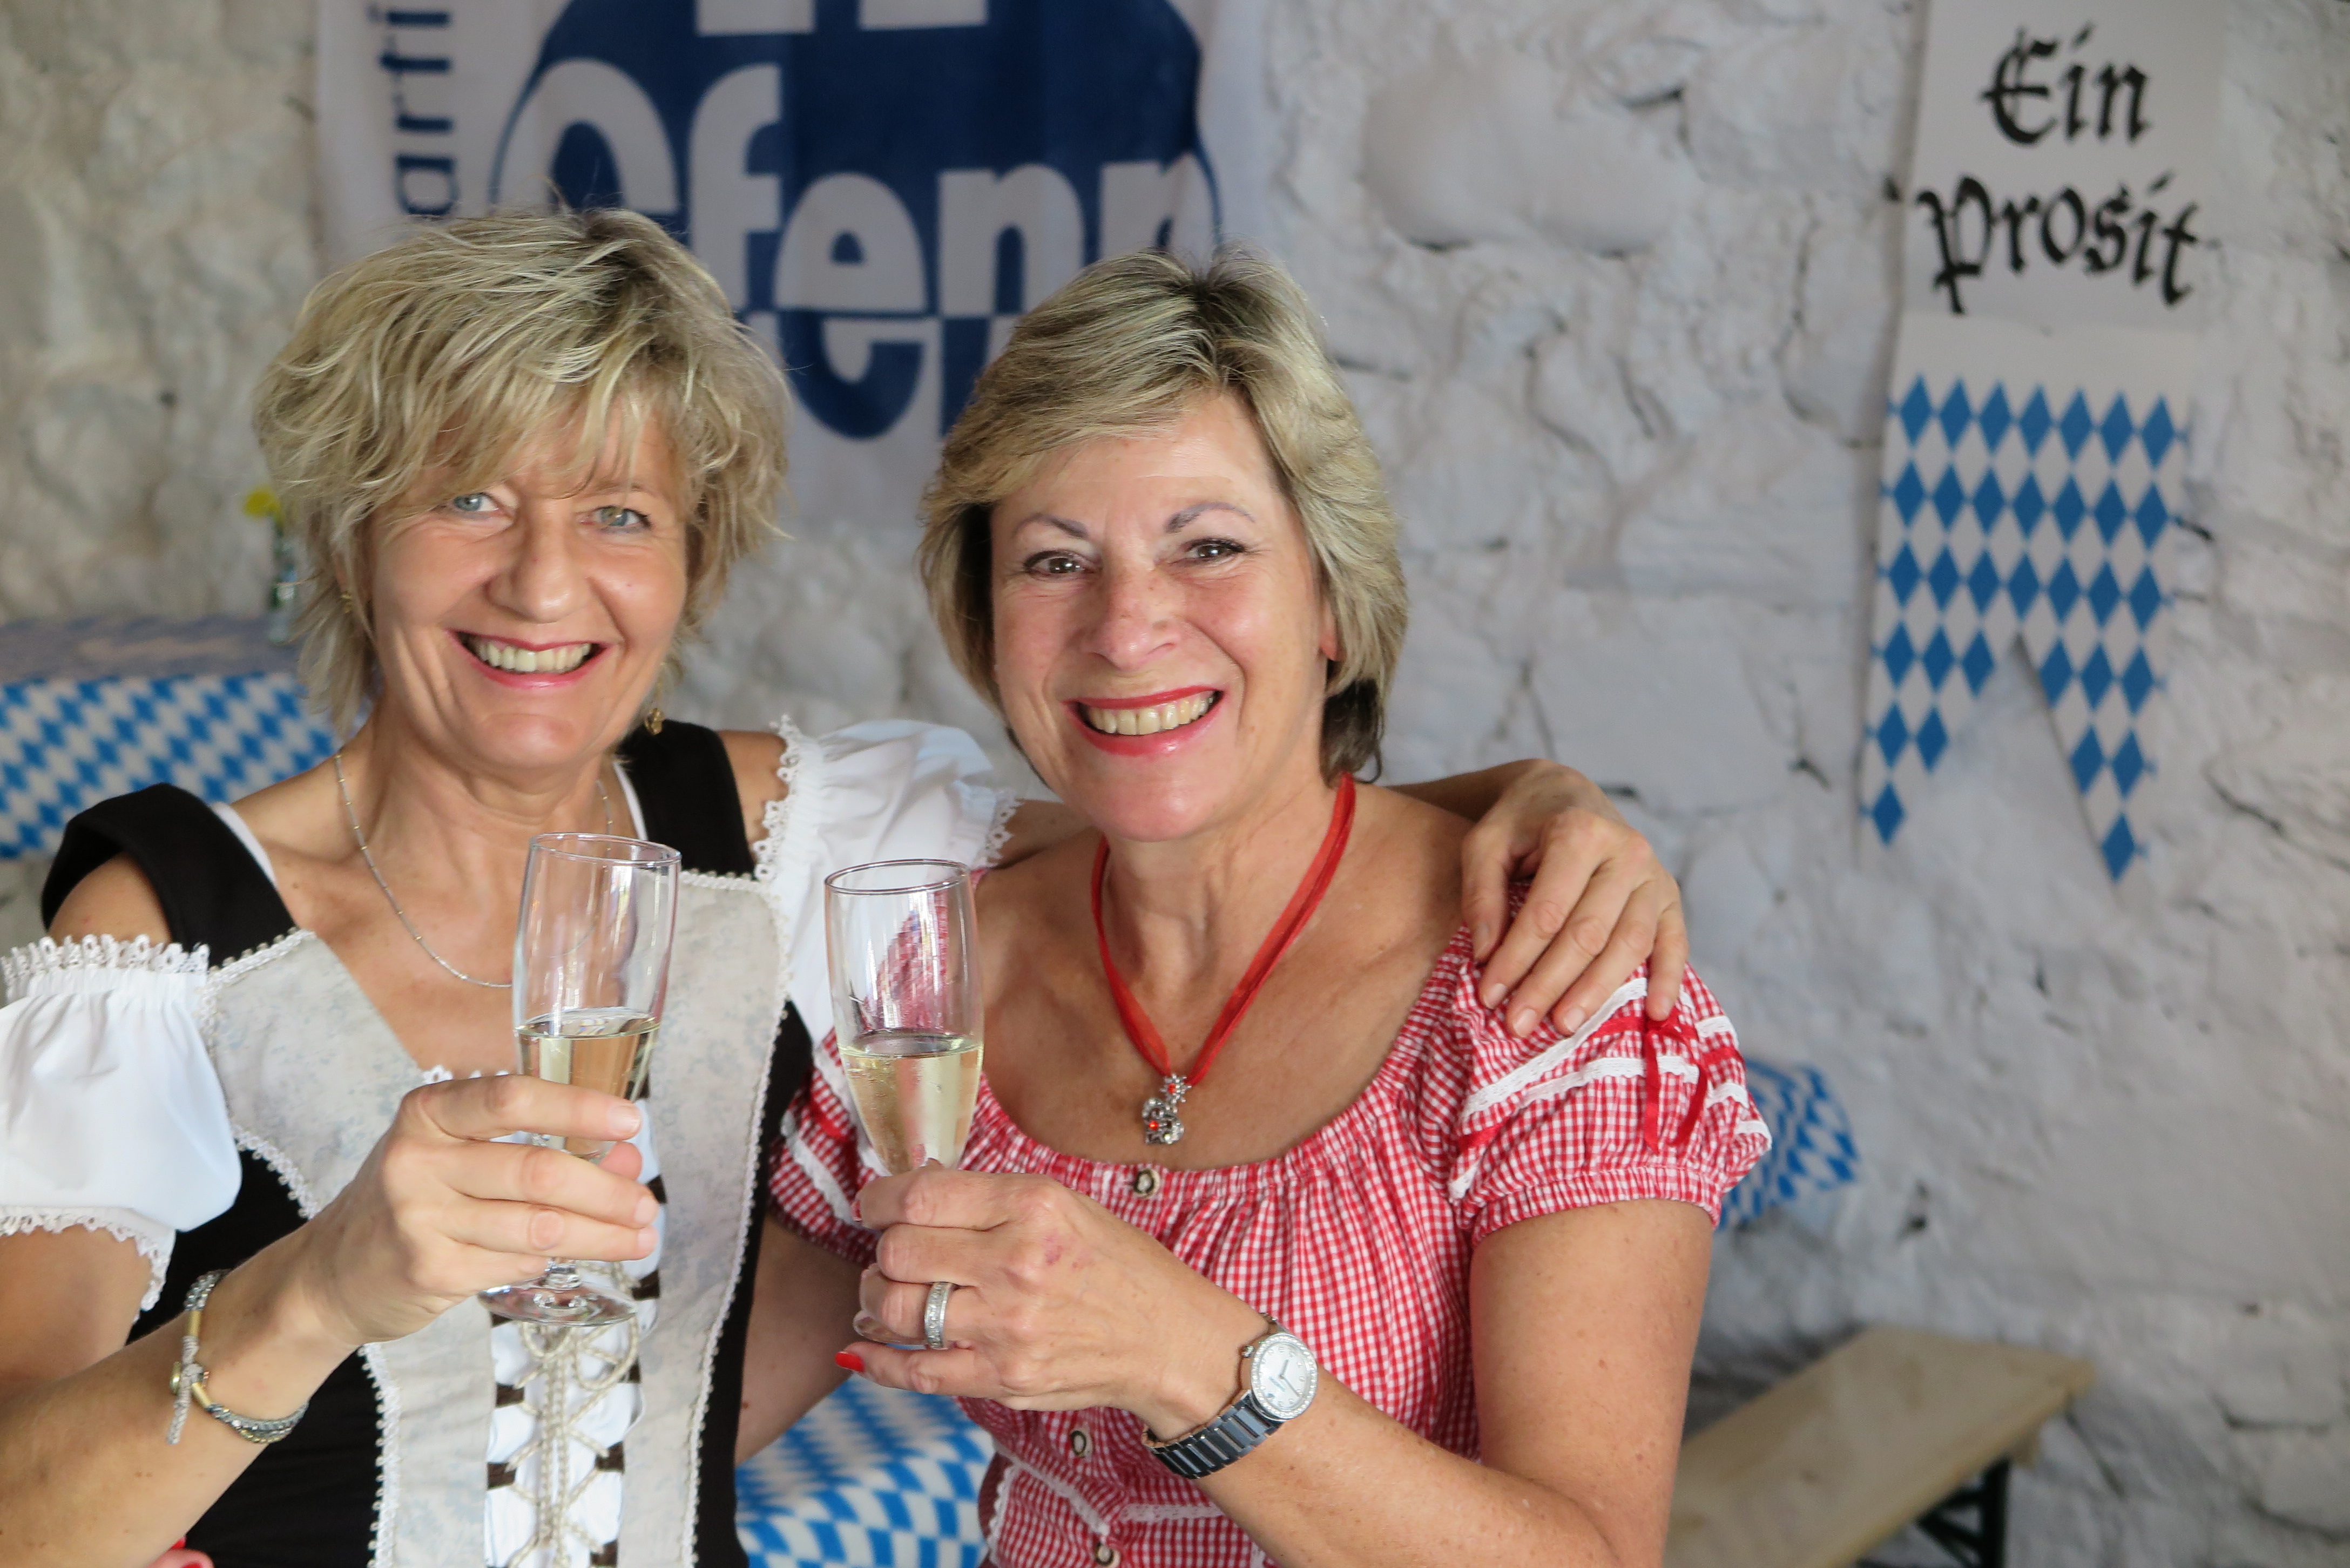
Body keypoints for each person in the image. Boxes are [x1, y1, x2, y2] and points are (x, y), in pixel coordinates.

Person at [0, 210, 1690, 1568]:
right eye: (468, 498)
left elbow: (1185, 797)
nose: (543, 581)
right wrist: (306, 1295)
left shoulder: (803, 839)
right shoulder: (155, 941)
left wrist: (1527, 806)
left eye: (620, 513)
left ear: (695, 560)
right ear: (351, 531)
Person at [766, 247, 1772, 1568]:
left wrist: (1182, 1354)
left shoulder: (1543, 984)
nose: (1127, 628)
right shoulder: (937, 979)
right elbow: (689, 1394)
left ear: (1330, 604)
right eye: (1055, 561)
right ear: (987, 622)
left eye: (1209, 548)